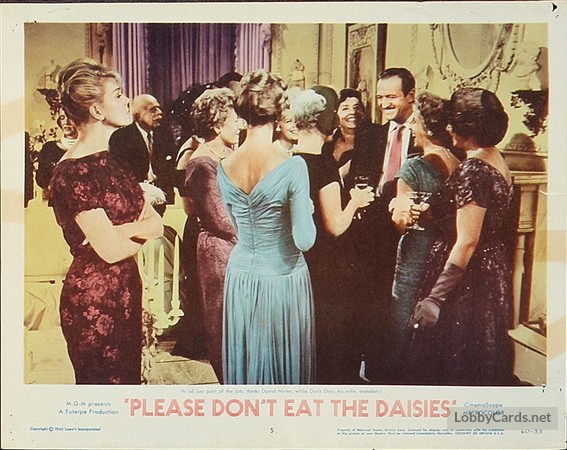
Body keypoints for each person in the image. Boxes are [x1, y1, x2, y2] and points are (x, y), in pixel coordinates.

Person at [48, 58, 163, 384]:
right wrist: (131, 232)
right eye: (118, 94)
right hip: (94, 301)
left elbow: (156, 224)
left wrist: (120, 231)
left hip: (126, 290)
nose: (127, 100)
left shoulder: (113, 161)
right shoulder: (72, 172)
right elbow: (111, 251)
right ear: (97, 111)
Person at [406, 87, 515, 386]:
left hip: (467, 279)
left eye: (453, 123)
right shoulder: (494, 158)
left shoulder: (473, 170)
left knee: (452, 365)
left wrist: (435, 299)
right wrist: (432, 210)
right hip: (490, 270)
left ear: (468, 129)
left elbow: (467, 241)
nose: (449, 129)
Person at [217, 69, 316, 384]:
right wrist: (307, 209)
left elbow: (237, 226)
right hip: (281, 277)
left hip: (240, 275)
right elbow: (305, 239)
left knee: (248, 368)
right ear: (280, 111)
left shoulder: (224, 165)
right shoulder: (293, 165)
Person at [292, 86, 374, 384]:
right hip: (328, 264)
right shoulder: (323, 163)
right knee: (333, 340)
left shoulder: (291, 160)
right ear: (325, 120)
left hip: (302, 261)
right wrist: (355, 202)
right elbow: (335, 226)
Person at [344, 67, 420, 383]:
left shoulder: (427, 134)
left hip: (414, 230)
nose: (384, 104)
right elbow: (356, 179)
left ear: (410, 96)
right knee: (374, 303)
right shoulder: (370, 134)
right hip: (373, 233)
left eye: (391, 97)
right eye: (380, 97)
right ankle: (373, 370)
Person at [384, 92, 462, 383]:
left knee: (402, 323)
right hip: (443, 257)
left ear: (427, 129)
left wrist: (395, 207)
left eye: (415, 122)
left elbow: (401, 222)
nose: (413, 128)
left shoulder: (414, 167)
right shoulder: (459, 163)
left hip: (415, 257)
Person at [178, 88, 239, 381]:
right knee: (223, 322)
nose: (240, 125)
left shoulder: (226, 154)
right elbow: (222, 220)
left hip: (234, 246)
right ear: (216, 124)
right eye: (234, 120)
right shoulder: (201, 163)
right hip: (219, 251)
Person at [109, 93, 177, 216]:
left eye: (159, 108)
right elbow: (121, 175)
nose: (159, 112)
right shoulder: (121, 138)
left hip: (163, 197)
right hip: (136, 198)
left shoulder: (164, 134)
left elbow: (171, 166)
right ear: (139, 115)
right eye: (153, 109)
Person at [36, 109, 78, 195]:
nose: (66, 122)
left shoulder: (88, 148)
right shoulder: (49, 148)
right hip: (57, 199)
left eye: (70, 117)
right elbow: (41, 179)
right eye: (62, 117)